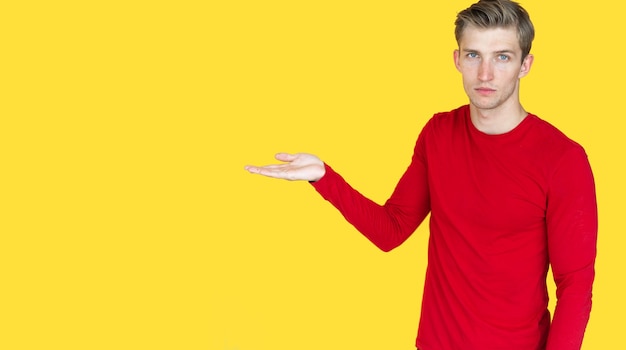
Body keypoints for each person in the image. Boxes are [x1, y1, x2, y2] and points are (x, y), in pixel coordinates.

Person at [244, 0, 598, 349]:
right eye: (474, 55)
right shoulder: (439, 133)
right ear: (458, 59)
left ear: (525, 65)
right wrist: (324, 177)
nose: (485, 74)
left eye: (502, 57)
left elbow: (575, 285)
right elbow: (391, 230)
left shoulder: (563, 159)